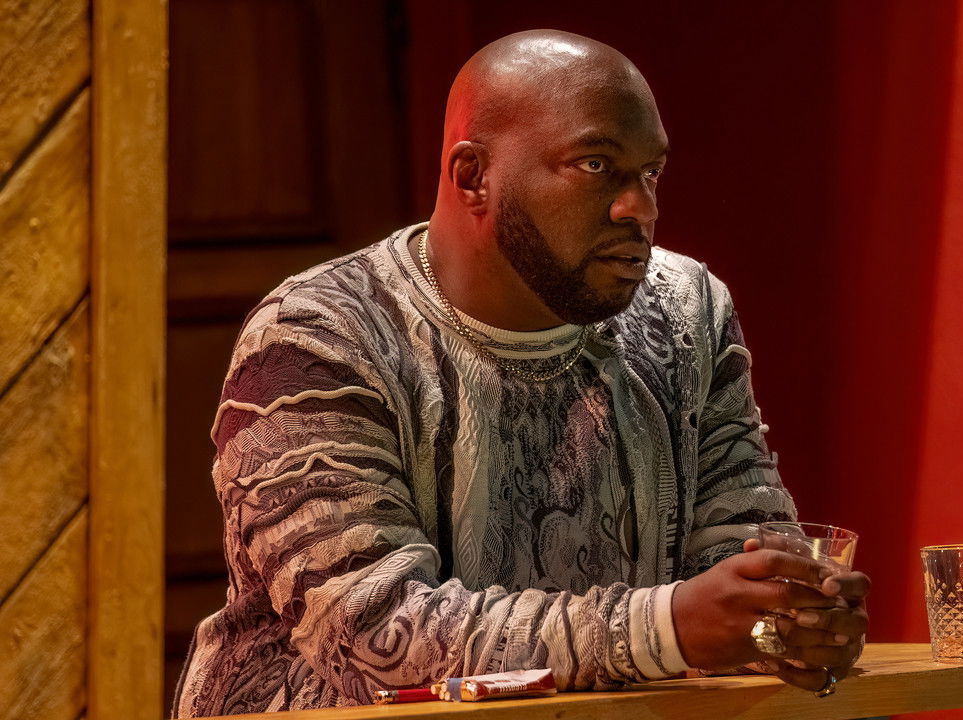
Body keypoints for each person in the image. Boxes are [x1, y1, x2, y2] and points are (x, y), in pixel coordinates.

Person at [174, 29, 869, 717]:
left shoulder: (687, 310)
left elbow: (739, 551)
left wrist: (788, 616)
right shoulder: (319, 335)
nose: (640, 209)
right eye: (596, 165)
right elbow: (376, 635)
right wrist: (670, 627)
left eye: (650, 174)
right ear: (472, 176)